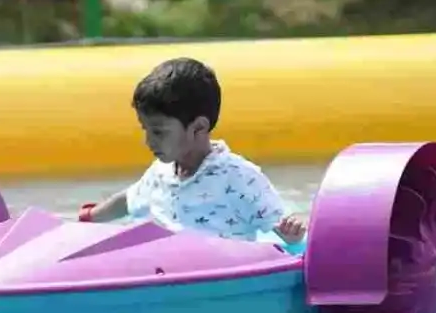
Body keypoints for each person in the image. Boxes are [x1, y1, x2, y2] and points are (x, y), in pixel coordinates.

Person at [78, 57, 307, 245]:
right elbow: (127, 201)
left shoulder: (239, 177)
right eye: (145, 129)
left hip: (214, 278)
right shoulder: (161, 173)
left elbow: (280, 225)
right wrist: (86, 219)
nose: (148, 141)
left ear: (198, 127)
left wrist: (292, 234)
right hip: (164, 273)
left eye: (158, 132)